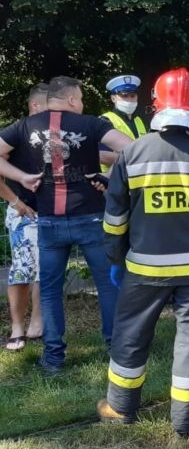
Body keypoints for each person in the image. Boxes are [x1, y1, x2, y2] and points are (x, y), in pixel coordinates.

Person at [97, 68, 189, 438]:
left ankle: (120, 407)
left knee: (130, 333)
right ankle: (185, 423)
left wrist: (116, 260)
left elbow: (115, 218)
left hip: (144, 266)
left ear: (156, 105)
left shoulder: (133, 154)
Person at [0, 76, 132, 375]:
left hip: (48, 220)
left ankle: (54, 358)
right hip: (91, 217)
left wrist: (20, 177)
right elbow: (133, 149)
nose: (83, 103)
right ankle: (117, 352)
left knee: (49, 290)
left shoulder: (24, 126)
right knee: (108, 285)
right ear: (72, 99)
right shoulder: (90, 124)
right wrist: (110, 180)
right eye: (82, 98)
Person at [2, 83, 48, 351]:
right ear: (35, 106)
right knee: (21, 271)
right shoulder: (15, 132)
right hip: (24, 212)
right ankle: (17, 327)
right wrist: (15, 200)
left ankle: (38, 324)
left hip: (49, 212)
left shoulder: (53, 132)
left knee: (46, 270)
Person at [100, 74, 147, 172]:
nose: (129, 100)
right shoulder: (105, 120)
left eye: (133, 96)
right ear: (113, 98)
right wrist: (137, 160)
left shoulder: (138, 121)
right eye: (124, 96)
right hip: (112, 180)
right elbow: (102, 155)